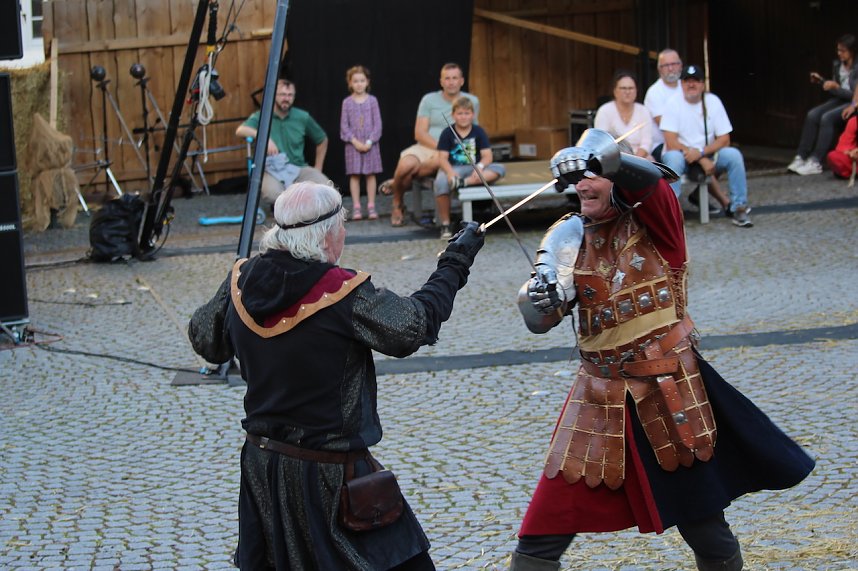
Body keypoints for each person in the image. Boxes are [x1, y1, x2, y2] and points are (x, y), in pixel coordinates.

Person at [508, 129, 816, 571]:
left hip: (668, 392)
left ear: (616, 176)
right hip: (597, 399)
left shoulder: (658, 225)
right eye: (579, 179)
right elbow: (540, 316)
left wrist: (596, 158)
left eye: (594, 176)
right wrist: (538, 300)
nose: (583, 185)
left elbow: (651, 185)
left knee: (706, 529)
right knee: (542, 532)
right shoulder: (570, 236)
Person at [187, 181, 485, 570]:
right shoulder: (341, 292)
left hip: (264, 468)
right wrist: (454, 263)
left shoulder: (240, 282)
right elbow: (413, 327)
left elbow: (205, 338)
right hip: (331, 477)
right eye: (343, 225)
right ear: (328, 235)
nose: (344, 233)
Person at [379, 63, 480, 227]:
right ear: (441, 81)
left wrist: (449, 150)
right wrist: (441, 147)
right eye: (447, 78)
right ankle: (397, 196)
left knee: (437, 161)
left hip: (453, 151)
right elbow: (419, 133)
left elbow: (473, 130)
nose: (451, 82)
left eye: (455, 78)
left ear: (462, 81)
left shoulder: (472, 101)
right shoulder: (429, 100)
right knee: (406, 164)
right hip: (427, 146)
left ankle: (396, 192)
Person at [660, 65, 752, 227]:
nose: (691, 85)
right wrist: (697, 156)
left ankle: (739, 208)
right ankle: (670, 213)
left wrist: (701, 154)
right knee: (672, 158)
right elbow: (671, 141)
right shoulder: (672, 103)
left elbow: (724, 139)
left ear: (703, 84)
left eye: (696, 81)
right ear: (681, 84)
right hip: (681, 154)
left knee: (733, 155)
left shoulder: (713, 102)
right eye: (687, 81)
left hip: (707, 153)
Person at [236, 79, 330, 208]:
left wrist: (318, 167)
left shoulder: (302, 117)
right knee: (273, 194)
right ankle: (290, 210)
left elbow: (322, 139)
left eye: (290, 95)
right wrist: (265, 138)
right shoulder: (262, 115)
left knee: (327, 189)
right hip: (271, 169)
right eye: (282, 95)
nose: (286, 99)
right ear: (274, 95)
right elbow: (240, 130)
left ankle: (299, 208)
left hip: (298, 167)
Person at [434, 96, 505, 239]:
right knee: (440, 182)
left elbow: (487, 156)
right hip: (455, 167)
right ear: (453, 115)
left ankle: (464, 183)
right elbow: (442, 158)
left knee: (499, 169)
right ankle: (445, 224)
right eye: (460, 113)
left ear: (472, 115)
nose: (463, 117)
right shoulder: (447, 133)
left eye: (466, 113)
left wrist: (479, 166)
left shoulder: (479, 131)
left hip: (474, 169)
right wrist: (450, 173)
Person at [788, 34, 858, 175]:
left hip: (853, 103)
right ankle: (801, 156)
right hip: (839, 99)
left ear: (852, 51)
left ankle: (816, 161)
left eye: (843, 51)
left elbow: (852, 93)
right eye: (838, 50)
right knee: (813, 114)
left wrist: (841, 92)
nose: (839, 54)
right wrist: (822, 81)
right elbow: (836, 90)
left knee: (827, 117)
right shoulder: (837, 64)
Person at [340, 65, 383, 221]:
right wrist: (355, 141)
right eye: (355, 81)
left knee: (370, 175)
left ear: (367, 82)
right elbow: (344, 125)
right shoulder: (346, 103)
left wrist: (370, 141)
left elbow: (377, 124)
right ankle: (357, 206)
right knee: (355, 175)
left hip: (371, 144)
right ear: (350, 83)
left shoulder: (372, 101)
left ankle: (371, 205)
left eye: (362, 80)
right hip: (353, 145)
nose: (359, 84)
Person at [594, 70, 653, 160]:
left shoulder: (643, 111)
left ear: (636, 91)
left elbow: (647, 142)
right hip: (612, 158)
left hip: (640, 158)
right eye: (623, 88)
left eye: (631, 88)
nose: (627, 92)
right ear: (615, 91)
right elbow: (601, 142)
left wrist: (635, 160)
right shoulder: (604, 111)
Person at [644, 48, 683, 161]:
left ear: (680, 65)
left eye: (674, 64)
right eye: (666, 65)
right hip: (662, 145)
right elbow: (664, 124)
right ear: (659, 69)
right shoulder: (654, 92)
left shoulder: (686, 87)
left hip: (690, 142)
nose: (670, 68)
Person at [826, 113, 858, 179]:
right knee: (833, 156)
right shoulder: (854, 121)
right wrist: (850, 152)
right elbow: (843, 145)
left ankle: (850, 172)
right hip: (854, 157)